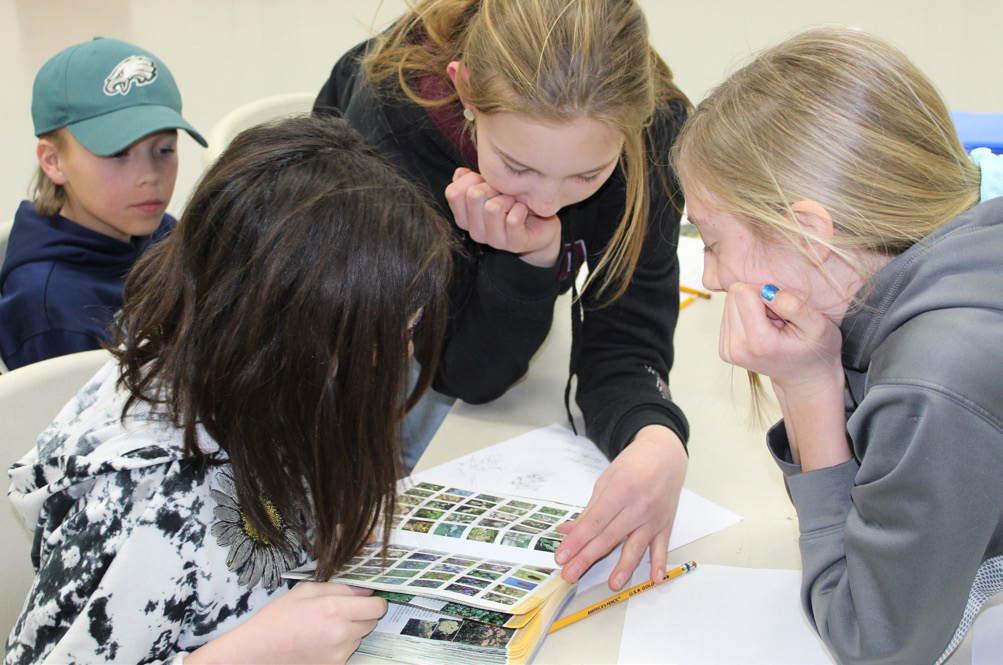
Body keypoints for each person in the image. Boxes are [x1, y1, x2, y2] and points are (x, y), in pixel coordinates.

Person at [4, 115, 454, 664]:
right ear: (303, 323)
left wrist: (315, 530)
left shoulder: (255, 377)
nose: (407, 351)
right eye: (397, 329)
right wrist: (248, 655)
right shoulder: (150, 494)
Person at [315, 0, 692, 592]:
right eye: (517, 167)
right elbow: (463, 374)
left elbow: (627, 338)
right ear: (466, 92)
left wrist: (657, 437)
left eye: (587, 176)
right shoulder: (393, 122)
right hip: (356, 338)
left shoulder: (659, 131)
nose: (546, 203)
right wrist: (527, 261)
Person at [670, 27, 1003, 665]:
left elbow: (876, 644)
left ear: (810, 234)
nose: (709, 278)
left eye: (710, 242)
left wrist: (807, 390)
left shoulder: (932, 385)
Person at [0, 37, 206, 372]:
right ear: (53, 160)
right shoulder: (49, 306)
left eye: (164, 150)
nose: (149, 176)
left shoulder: (160, 231)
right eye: (117, 153)